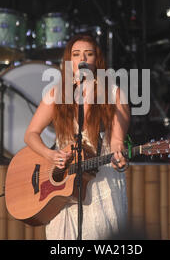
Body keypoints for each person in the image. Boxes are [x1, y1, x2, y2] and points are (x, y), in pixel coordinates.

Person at [24, 34, 130, 240]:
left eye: (88, 54)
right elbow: (31, 134)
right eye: (76, 54)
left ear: (96, 61)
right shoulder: (56, 93)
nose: (82, 58)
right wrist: (50, 154)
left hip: (101, 180)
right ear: (69, 61)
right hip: (64, 184)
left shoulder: (114, 93)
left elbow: (117, 140)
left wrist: (120, 156)